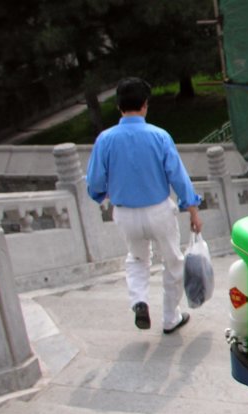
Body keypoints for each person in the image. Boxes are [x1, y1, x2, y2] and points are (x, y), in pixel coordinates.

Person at [86, 77, 203, 334]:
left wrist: (103, 194)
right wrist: (192, 209)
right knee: (172, 261)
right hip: (159, 211)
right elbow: (178, 176)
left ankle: (139, 300)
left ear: (119, 106)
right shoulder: (159, 136)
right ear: (145, 105)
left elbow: (95, 181)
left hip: (125, 213)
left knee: (137, 258)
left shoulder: (105, 140)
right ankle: (170, 317)